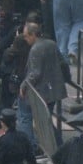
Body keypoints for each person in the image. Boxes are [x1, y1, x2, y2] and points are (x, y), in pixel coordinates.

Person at [19, 21, 66, 150]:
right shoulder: (51, 44)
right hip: (54, 89)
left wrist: (23, 85)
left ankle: (38, 147)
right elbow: (62, 63)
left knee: (39, 121)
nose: (25, 39)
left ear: (33, 34)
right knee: (47, 121)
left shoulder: (35, 49)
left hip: (42, 91)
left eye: (26, 36)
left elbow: (35, 73)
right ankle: (58, 146)